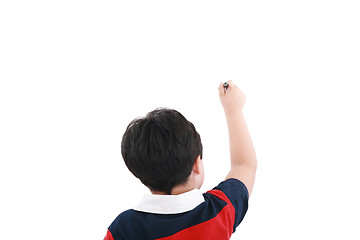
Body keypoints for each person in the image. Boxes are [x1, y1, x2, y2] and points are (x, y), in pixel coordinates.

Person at [104, 80, 257, 240]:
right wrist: (233, 110)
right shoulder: (218, 211)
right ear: (196, 165)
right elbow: (244, 165)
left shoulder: (124, 229)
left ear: (137, 171)